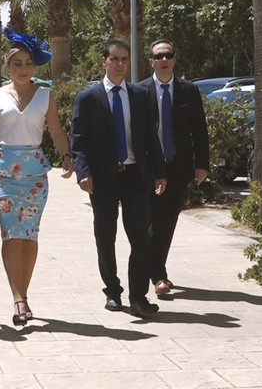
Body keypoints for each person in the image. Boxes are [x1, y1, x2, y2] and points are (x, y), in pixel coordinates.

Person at [0, 28, 74, 327]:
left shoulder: (46, 95)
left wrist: (67, 157)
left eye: (28, 63)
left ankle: (24, 295)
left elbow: (55, 130)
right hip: (3, 172)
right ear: (7, 66)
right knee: (11, 236)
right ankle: (18, 297)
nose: (23, 68)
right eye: (17, 63)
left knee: (29, 237)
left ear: (35, 66)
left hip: (35, 174)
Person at [70, 37, 167, 317]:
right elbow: (80, 141)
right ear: (104, 61)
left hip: (136, 176)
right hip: (103, 178)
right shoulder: (88, 98)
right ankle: (113, 291)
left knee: (140, 238)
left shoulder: (139, 95)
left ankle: (138, 297)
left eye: (124, 59)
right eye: (114, 59)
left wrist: (159, 172)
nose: (120, 64)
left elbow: (151, 137)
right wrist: (83, 173)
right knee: (105, 236)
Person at [139, 39, 209, 296]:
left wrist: (202, 164)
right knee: (149, 223)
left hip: (178, 166)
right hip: (148, 167)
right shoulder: (141, 91)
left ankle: (157, 273)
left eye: (168, 55)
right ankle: (155, 272)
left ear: (174, 59)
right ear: (151, 61)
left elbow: (199, 130)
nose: (164, 60)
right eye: (159, 56)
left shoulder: (188, 90)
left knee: (167, 222)